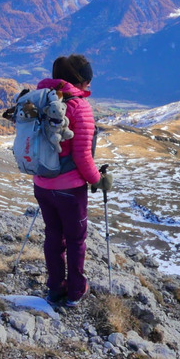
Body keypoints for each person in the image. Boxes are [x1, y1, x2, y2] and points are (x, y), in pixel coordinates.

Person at [33, 54, 112, 307]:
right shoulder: (80, 107)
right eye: (88, 81)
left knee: (53, 237)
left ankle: (55, 289)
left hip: (42, 183)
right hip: (69, 189)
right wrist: (98, 179)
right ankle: (76, 291)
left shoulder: (41, 99)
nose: (90, 86)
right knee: (76, 240)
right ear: (79, 81)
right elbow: (82, 156)